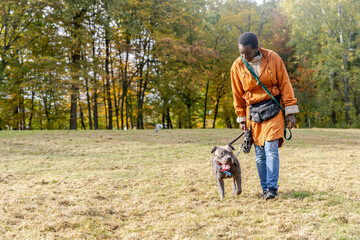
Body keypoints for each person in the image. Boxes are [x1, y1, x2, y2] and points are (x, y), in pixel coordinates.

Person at [230, 32, 299, 200]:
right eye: (241, 52)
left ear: (256, 48)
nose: (244, 55)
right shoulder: (237, 65)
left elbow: (285, 84)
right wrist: (241, 118)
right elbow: (237, 94)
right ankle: (265, 189)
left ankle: (272, 189)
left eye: (247, 52)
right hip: (253, 112)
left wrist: (290, 111)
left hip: (273, 107)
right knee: (259, 154)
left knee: (271, 149)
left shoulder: (273, 58)